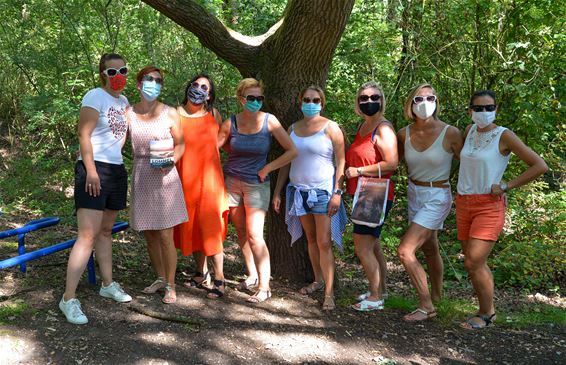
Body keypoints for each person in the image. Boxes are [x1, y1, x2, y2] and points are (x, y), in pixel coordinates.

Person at [457, 90, 547, 329]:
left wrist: (507, 185)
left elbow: (539, 165)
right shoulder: (469, 131)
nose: (484, 112)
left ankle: (487, 314)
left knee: (474, 261)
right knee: (471, 260)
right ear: (470, 110)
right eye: (478, 108)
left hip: (488, 204)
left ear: (495, 109)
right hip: (464, 202)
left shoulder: (504, 135)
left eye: (489, 108)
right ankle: (484, 308)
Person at [60, 53, 132, 324]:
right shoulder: (94, 96)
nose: (118, 76)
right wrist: (90, 170)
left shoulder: (123, 101)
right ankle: (68, 299)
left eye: (122, 70)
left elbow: (120, 135)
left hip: (115, 170)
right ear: (103, 73)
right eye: (112, 72)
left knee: (105, 232)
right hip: (94, 168)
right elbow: (84, 134)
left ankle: (107, 284)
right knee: (87, 236)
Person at [218, 78, 297, 303]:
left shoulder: (269, 121)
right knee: (241, 231)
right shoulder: (230, 122)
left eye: (259, 98)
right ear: (241, 99)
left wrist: (268, 167)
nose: (255, 102)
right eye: (251, 98)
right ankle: (252, 275)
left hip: (256, 184)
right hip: (232, 182)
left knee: (255, 235)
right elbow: (216, 145)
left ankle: (264, 286)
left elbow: (292, 151)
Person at [272, 85, 346, 311]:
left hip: (323, 192)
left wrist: (337, 193)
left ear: (322, 103)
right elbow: (287, 161)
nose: (311, 104)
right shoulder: (293, 128)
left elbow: (341, 162)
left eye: (315, 100)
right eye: (307, 99)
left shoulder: (331, 128)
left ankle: (329, 293)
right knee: (311, 240)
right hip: (298, 192)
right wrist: (278, 191)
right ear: (300, 101)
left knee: (324, 242)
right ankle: (318, 280)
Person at [396, 84, 463, 321]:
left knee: (405, 251)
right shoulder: (403, 134)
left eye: (430, 97)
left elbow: (471, 162)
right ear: (410, 104)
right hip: (415, 193)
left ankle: (427, 307)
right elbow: (392, 162)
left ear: (436, 101)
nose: (424, 102)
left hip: (438, 195)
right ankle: (438, 296)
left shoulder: (451, 133)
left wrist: (496, 185)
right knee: (430, 247)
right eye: (418, 98)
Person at [128, 66, 188, 304]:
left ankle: (171, 285)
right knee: (150, 234)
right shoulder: (129, 112)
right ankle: (160, 277)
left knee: (165, 234)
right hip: (141, 173)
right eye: (148, 79)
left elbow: (181, 143)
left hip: (164, 177)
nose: (153, 83)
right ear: (139, 84)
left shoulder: (170, 112)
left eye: (158, 80)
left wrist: (172, 159)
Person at [174, 74, 229, 299]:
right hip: (185, 179)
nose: (198, 89)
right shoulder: (174, 114)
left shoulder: (214, 115)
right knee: (193, 227)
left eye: (204, 87)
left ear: (209, 94)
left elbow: (224, 143)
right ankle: (201, 271)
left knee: (211, 228)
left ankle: (220, 278)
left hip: (210, 183)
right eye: (195, 84)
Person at [344, 81, 398, 311]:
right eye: (364, 98)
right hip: (362, 191)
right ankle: (380, 289)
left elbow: (392, 163)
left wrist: (358, 171)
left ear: (382, 100)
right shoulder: (363, 126)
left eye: (374, 97)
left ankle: (375, 298)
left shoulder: (383, 128)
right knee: (373, 246)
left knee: (362, 247)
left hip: (375, 192)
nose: (369, 102)